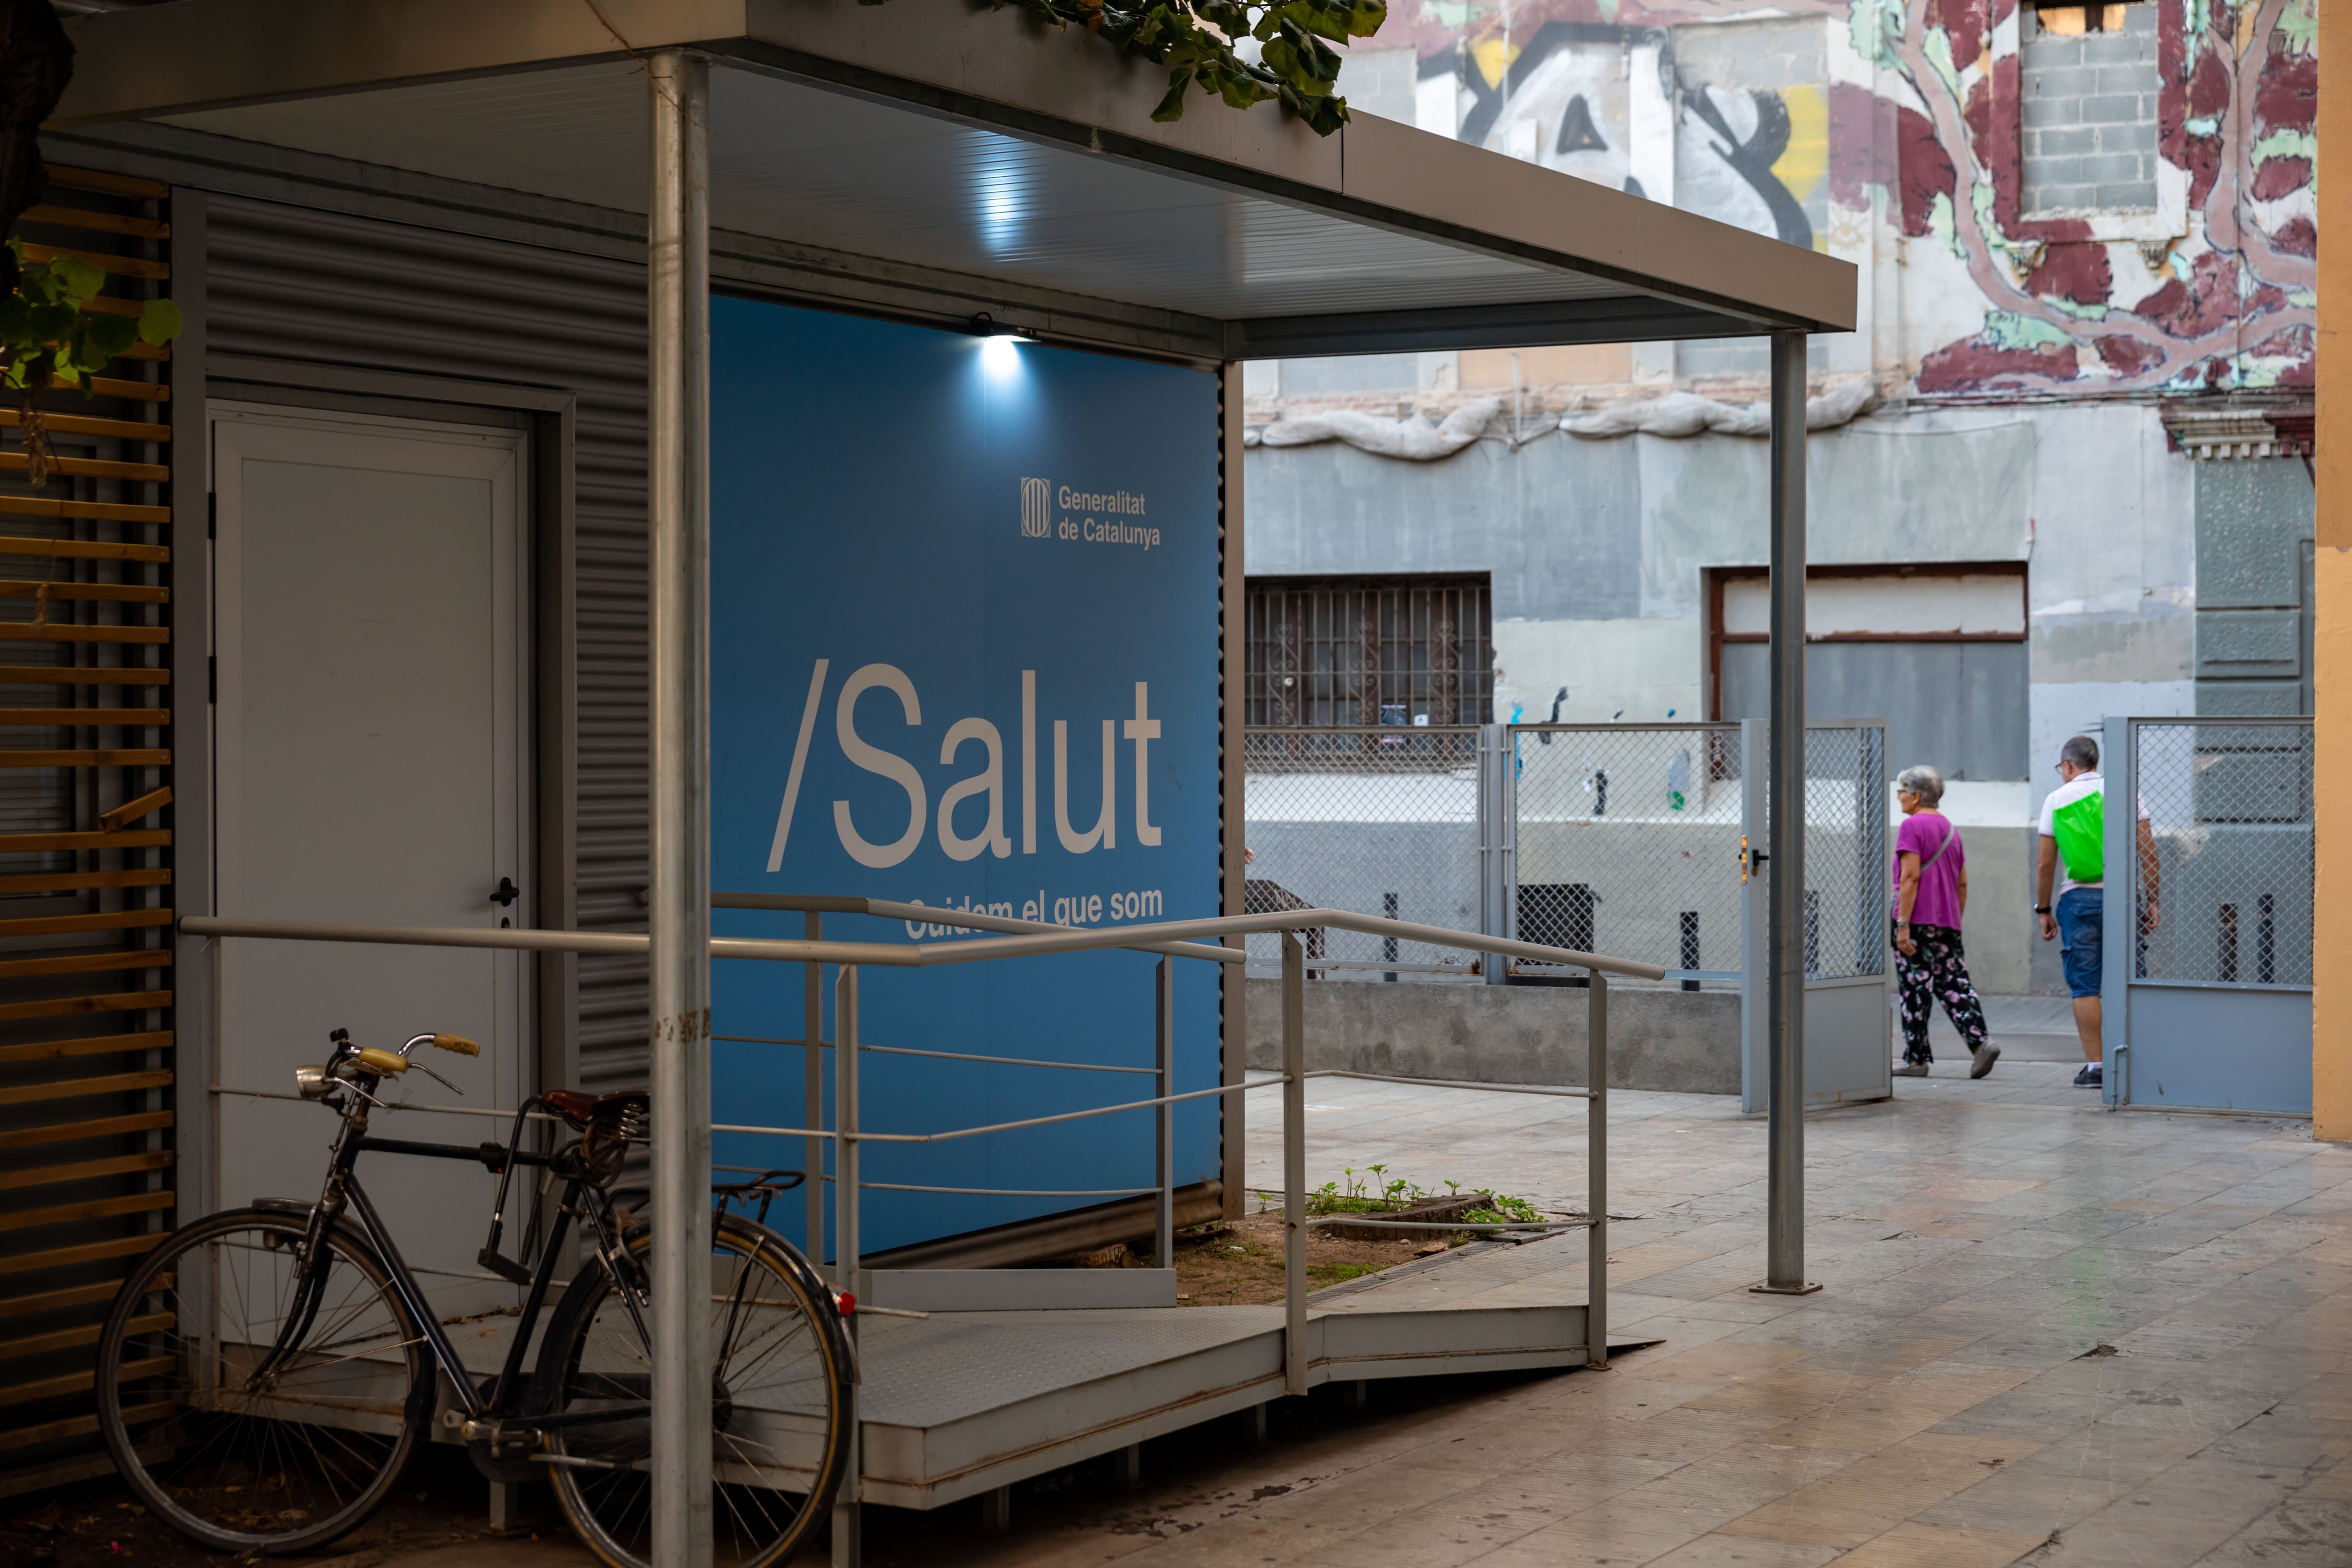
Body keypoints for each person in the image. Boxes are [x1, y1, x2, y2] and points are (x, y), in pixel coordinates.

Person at [2035, 734, 2157, 1088]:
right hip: (2123, 897)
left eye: (2062, 768)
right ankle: (2140, 1060)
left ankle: (2097, 1067)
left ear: (2069, 766)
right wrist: (2152, 899)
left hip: (2078, 900)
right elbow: (2148, 850)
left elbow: (2046, 864)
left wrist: (2044, 909)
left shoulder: (2056, 800)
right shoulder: (2124, 791)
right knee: (2132, 979)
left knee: (2085, 986)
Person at [1889, 765, 1998, 1079]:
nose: (1899, 798)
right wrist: (1953, 920)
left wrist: (1903, 925)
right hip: (1947, 922)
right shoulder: (1951, 830)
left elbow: (1910, 877)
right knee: (1955, 984)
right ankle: (1981, 1043)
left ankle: (1915, 1058)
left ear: (1917, 794)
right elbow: (1962, 883)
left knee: (1914, 987)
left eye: (1902, 791)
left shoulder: (1912, 826)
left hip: (1916, 920)